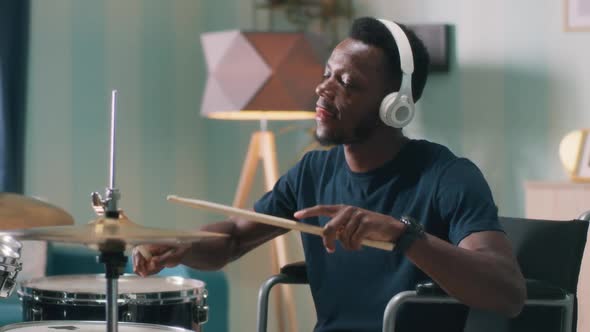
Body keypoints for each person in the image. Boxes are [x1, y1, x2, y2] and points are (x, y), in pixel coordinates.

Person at [134, 17, 526, 332]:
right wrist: (181, 244)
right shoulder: (312, 172)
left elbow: (506, 291)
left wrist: (403, 236)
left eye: (347, 83)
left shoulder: (448, 177)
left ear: (396, 107)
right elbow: (234, 238)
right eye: (327, 73)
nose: (323, 89)